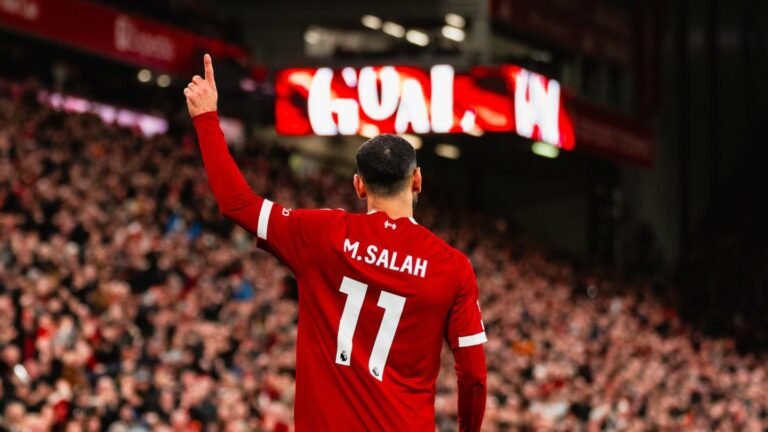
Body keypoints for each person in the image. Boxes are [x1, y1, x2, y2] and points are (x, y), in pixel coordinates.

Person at [184, 54, 487, 431]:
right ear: (418, 181)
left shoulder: (321, 233)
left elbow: (236, 203)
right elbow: (473, 375)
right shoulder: (452, 266)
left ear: (358, 186)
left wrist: (206, 118)